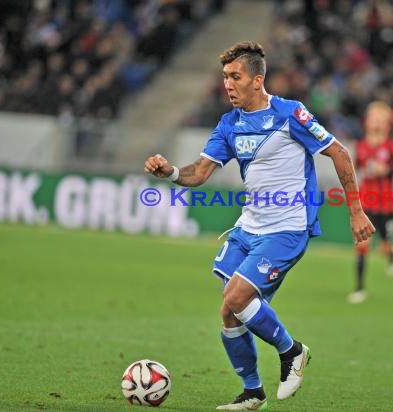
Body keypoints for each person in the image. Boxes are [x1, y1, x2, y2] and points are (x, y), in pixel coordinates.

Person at [144, 41, 374, 410]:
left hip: (287, 228)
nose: (228, 85)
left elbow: (338, 152)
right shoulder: (229, 124)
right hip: (249, 227)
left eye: (235, 77)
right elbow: (200, 172)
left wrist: (356, 211)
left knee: (236, 297)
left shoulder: (289, 114)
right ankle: (252, 393)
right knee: (229, 311)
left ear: (257, 79)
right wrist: (169, 172)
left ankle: (293, 352)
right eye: (224, 77)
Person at [348, 101, 393, 304]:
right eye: (372, 118)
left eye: (379, 119)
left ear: (387, 124)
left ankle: (392, 253)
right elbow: (355, 168)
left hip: (387, 205)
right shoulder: (361, 146)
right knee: (362, 245)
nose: (375, 123)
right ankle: (359, 289)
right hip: (366, 203)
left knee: (385, 245)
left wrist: (387, 169)